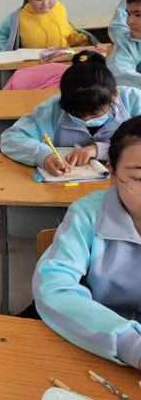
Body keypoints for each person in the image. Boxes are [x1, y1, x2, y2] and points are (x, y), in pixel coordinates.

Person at [33, 115, 141, 368]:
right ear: (112, 172)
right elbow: (54, 288)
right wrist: (130, 343)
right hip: (94, 342)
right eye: (139, 179)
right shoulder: (87, 216)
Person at [1, 51, 141, 176]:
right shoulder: (53, 109)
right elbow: (10, 138)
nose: (86, 120)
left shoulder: (134, 101)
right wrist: (43, 156)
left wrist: (99, 150)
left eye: (95, 114)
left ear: (115, 96)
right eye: (76, 114)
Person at [0, 0, 94, 51]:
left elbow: (68, 32)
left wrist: (87, 42)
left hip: (62, 59)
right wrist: (7, 53)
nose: (45, 3)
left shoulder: (60, 8)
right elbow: (0, 34)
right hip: (33, 64)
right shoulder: (18, 17)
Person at [108, 0, 141, 89]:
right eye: (128, 14)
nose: (130, 21)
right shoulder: (125, 42)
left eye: (138, 15)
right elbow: (120, 74)